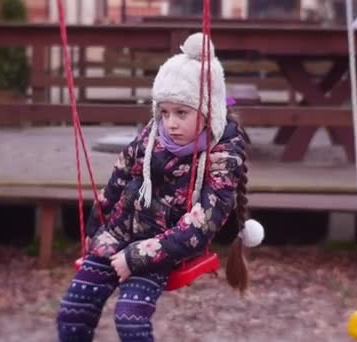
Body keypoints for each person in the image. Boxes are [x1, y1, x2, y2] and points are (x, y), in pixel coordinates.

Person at [56, 32, 264, 342]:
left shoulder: (221, 156)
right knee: (73, 312)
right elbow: (118, 179)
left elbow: (202, 225)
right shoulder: (152, 136)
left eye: (182, 113)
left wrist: (137, 256)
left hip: (160, 251)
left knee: (129, 320)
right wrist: (95, 230)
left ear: (209, 113)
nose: (171, 124)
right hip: (117, 236)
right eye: (164, 113)